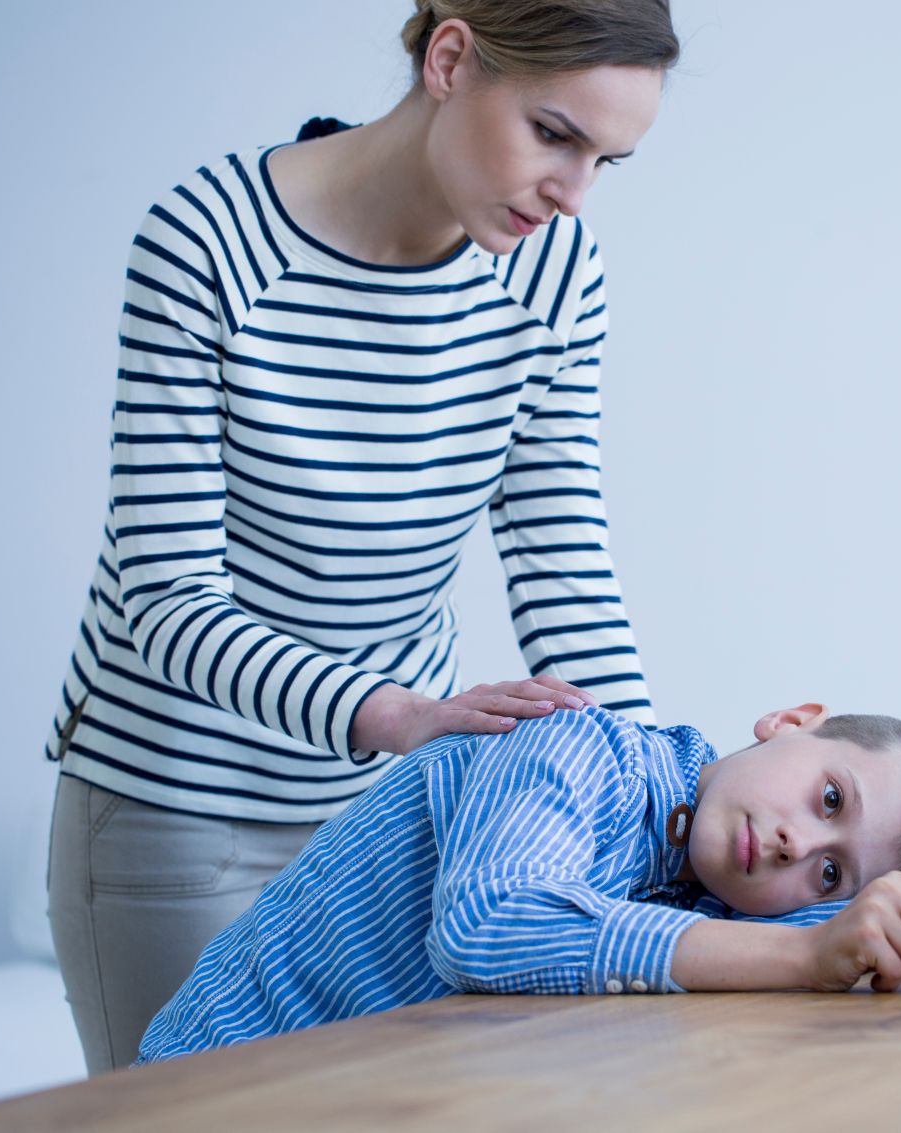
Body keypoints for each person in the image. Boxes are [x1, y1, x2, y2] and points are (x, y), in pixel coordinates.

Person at [45, 0, 682, 1072]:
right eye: (553, 134)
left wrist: (662, 780)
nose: (571, 195)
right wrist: (397, 713)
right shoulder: (209, 239)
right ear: (448, 59)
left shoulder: (554, 274)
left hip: (381, 819)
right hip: (176, 801)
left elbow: (559, 540)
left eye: (605, 161)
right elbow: (164, 601)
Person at [136, 702, 901, 1062]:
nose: (794, 848)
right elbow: (488, 926)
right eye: (826, 797)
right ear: (787, 720)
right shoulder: (574, 749)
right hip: (213, 1089)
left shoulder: (719, 900)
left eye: (831, 868)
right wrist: (800, 952)